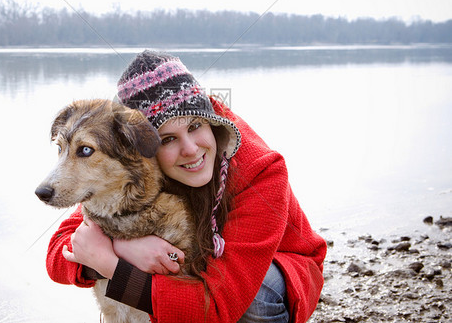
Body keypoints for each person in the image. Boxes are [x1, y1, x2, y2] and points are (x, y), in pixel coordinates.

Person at [45, 50, 327, 323]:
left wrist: (112, 265)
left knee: (258, 295)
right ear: (142, 149)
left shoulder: (262, 172)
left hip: (280, 269)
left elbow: (217, 308)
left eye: (195, 126)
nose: (191, 150)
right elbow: (58, 255)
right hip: (202, 266)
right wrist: (123, 247)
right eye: (168, 139)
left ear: (210, 121)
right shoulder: (144, 169)